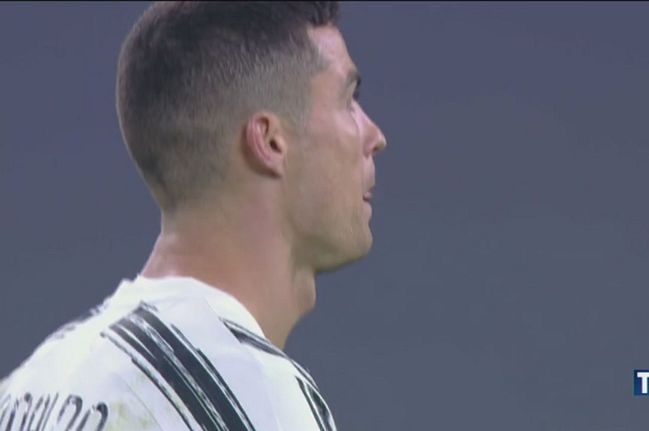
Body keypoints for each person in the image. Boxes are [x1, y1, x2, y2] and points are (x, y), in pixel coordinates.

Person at [0, 1, 387, 430]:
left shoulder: (26, 390)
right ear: (270, 141)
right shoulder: (251, 393)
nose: (375, 136)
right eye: (349, 100)